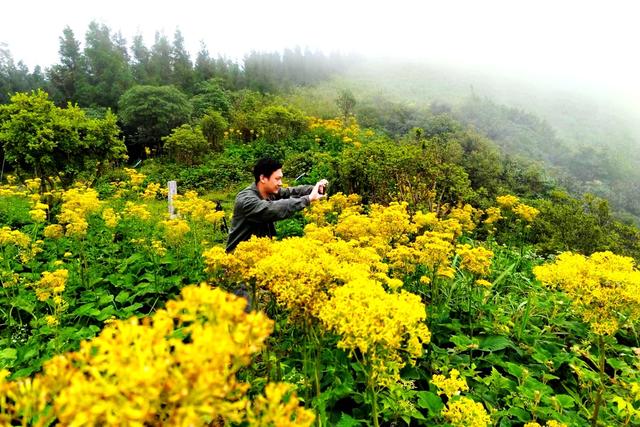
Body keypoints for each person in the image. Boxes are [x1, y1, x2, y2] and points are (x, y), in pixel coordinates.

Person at [226, 158, 328, 252]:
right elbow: (272, 209)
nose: (280, 183)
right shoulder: (246, 200)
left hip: (260, 256)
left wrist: (314, 188)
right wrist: (308, 199)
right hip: (237, 262)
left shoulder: (269, 192)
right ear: (263, 178)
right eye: (277, 179)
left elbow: (291, 192)